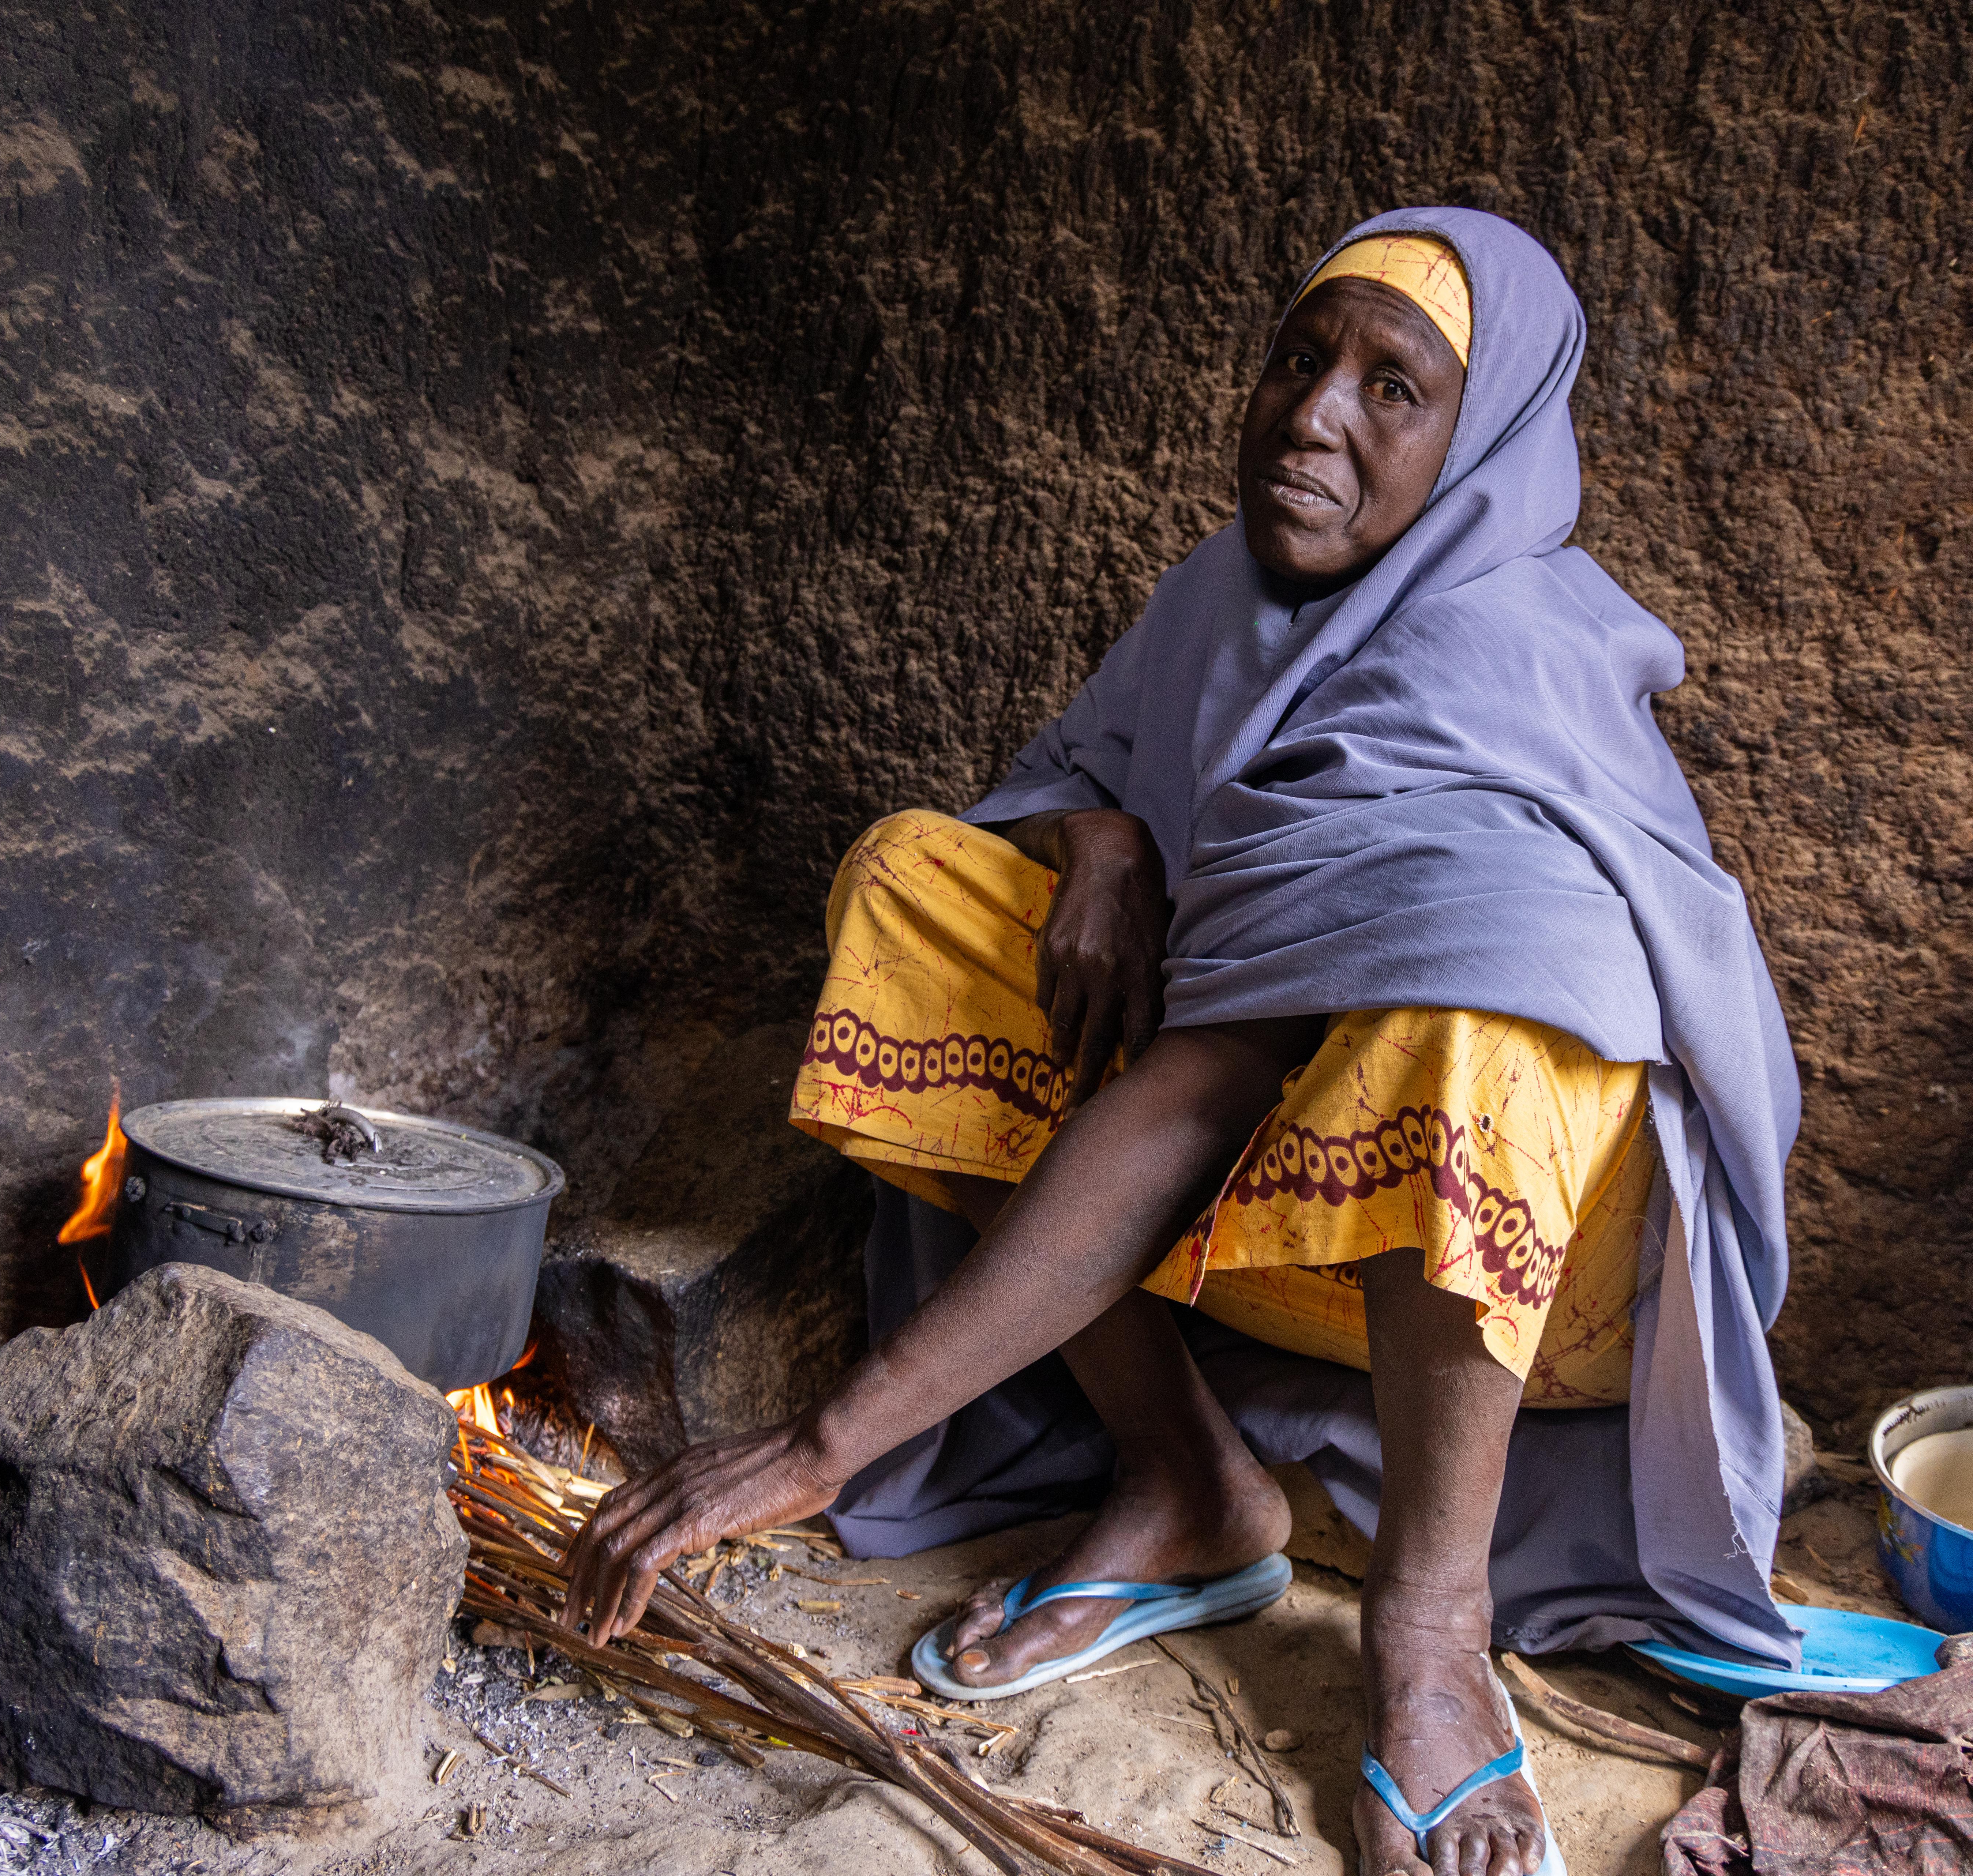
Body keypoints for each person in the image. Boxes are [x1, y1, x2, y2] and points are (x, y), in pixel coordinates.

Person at [561, 207, 1804, 1876]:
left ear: (1483, 436)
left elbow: (1196, 1087)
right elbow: (1084, 771)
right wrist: (1103, 840)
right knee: (916, 885)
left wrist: (816, 1443)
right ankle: (1188, 1476)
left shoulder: (1504, 656)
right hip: (1262, 1223)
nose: (1314, 415)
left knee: (1480, 1020)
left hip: (1523, 1284)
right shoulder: (1221, 599)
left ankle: (1431, 1636)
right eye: (1301, 359)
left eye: (1391, 386)